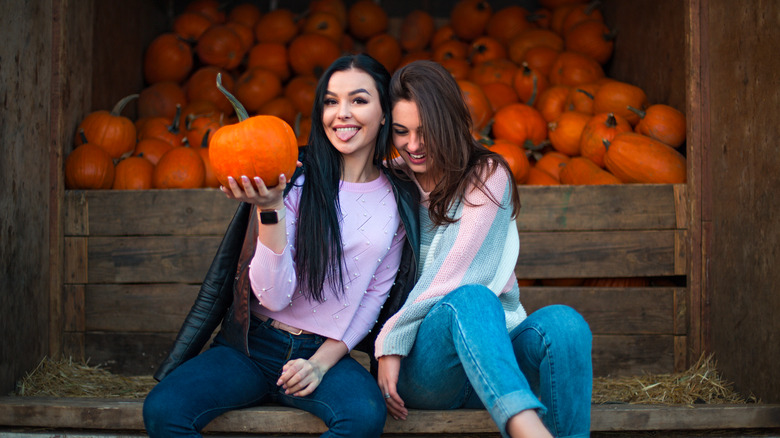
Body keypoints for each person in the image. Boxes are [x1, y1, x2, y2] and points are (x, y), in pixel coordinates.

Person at [143, 54, 421, 438]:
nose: (342, 113)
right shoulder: (292, 177)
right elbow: (273, 297)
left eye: (358, 100)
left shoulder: (399, 197)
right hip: (252, 347)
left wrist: (321, 364)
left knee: (363, 417)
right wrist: (270, 208)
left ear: (385, 112)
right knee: (164, 410)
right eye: (330, 101)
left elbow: (373, 297)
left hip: (323, 354)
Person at [374, 60, 593, 438]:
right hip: (426, 369)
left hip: (494, 358)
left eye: (425, 132)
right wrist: (394, 343)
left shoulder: (487, 175)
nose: (413, 145)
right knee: (471, 299)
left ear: (450, 122)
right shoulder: (388, 180)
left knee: (566, 324)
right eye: (400, 132)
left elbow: (459, 271)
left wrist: (390, 336)